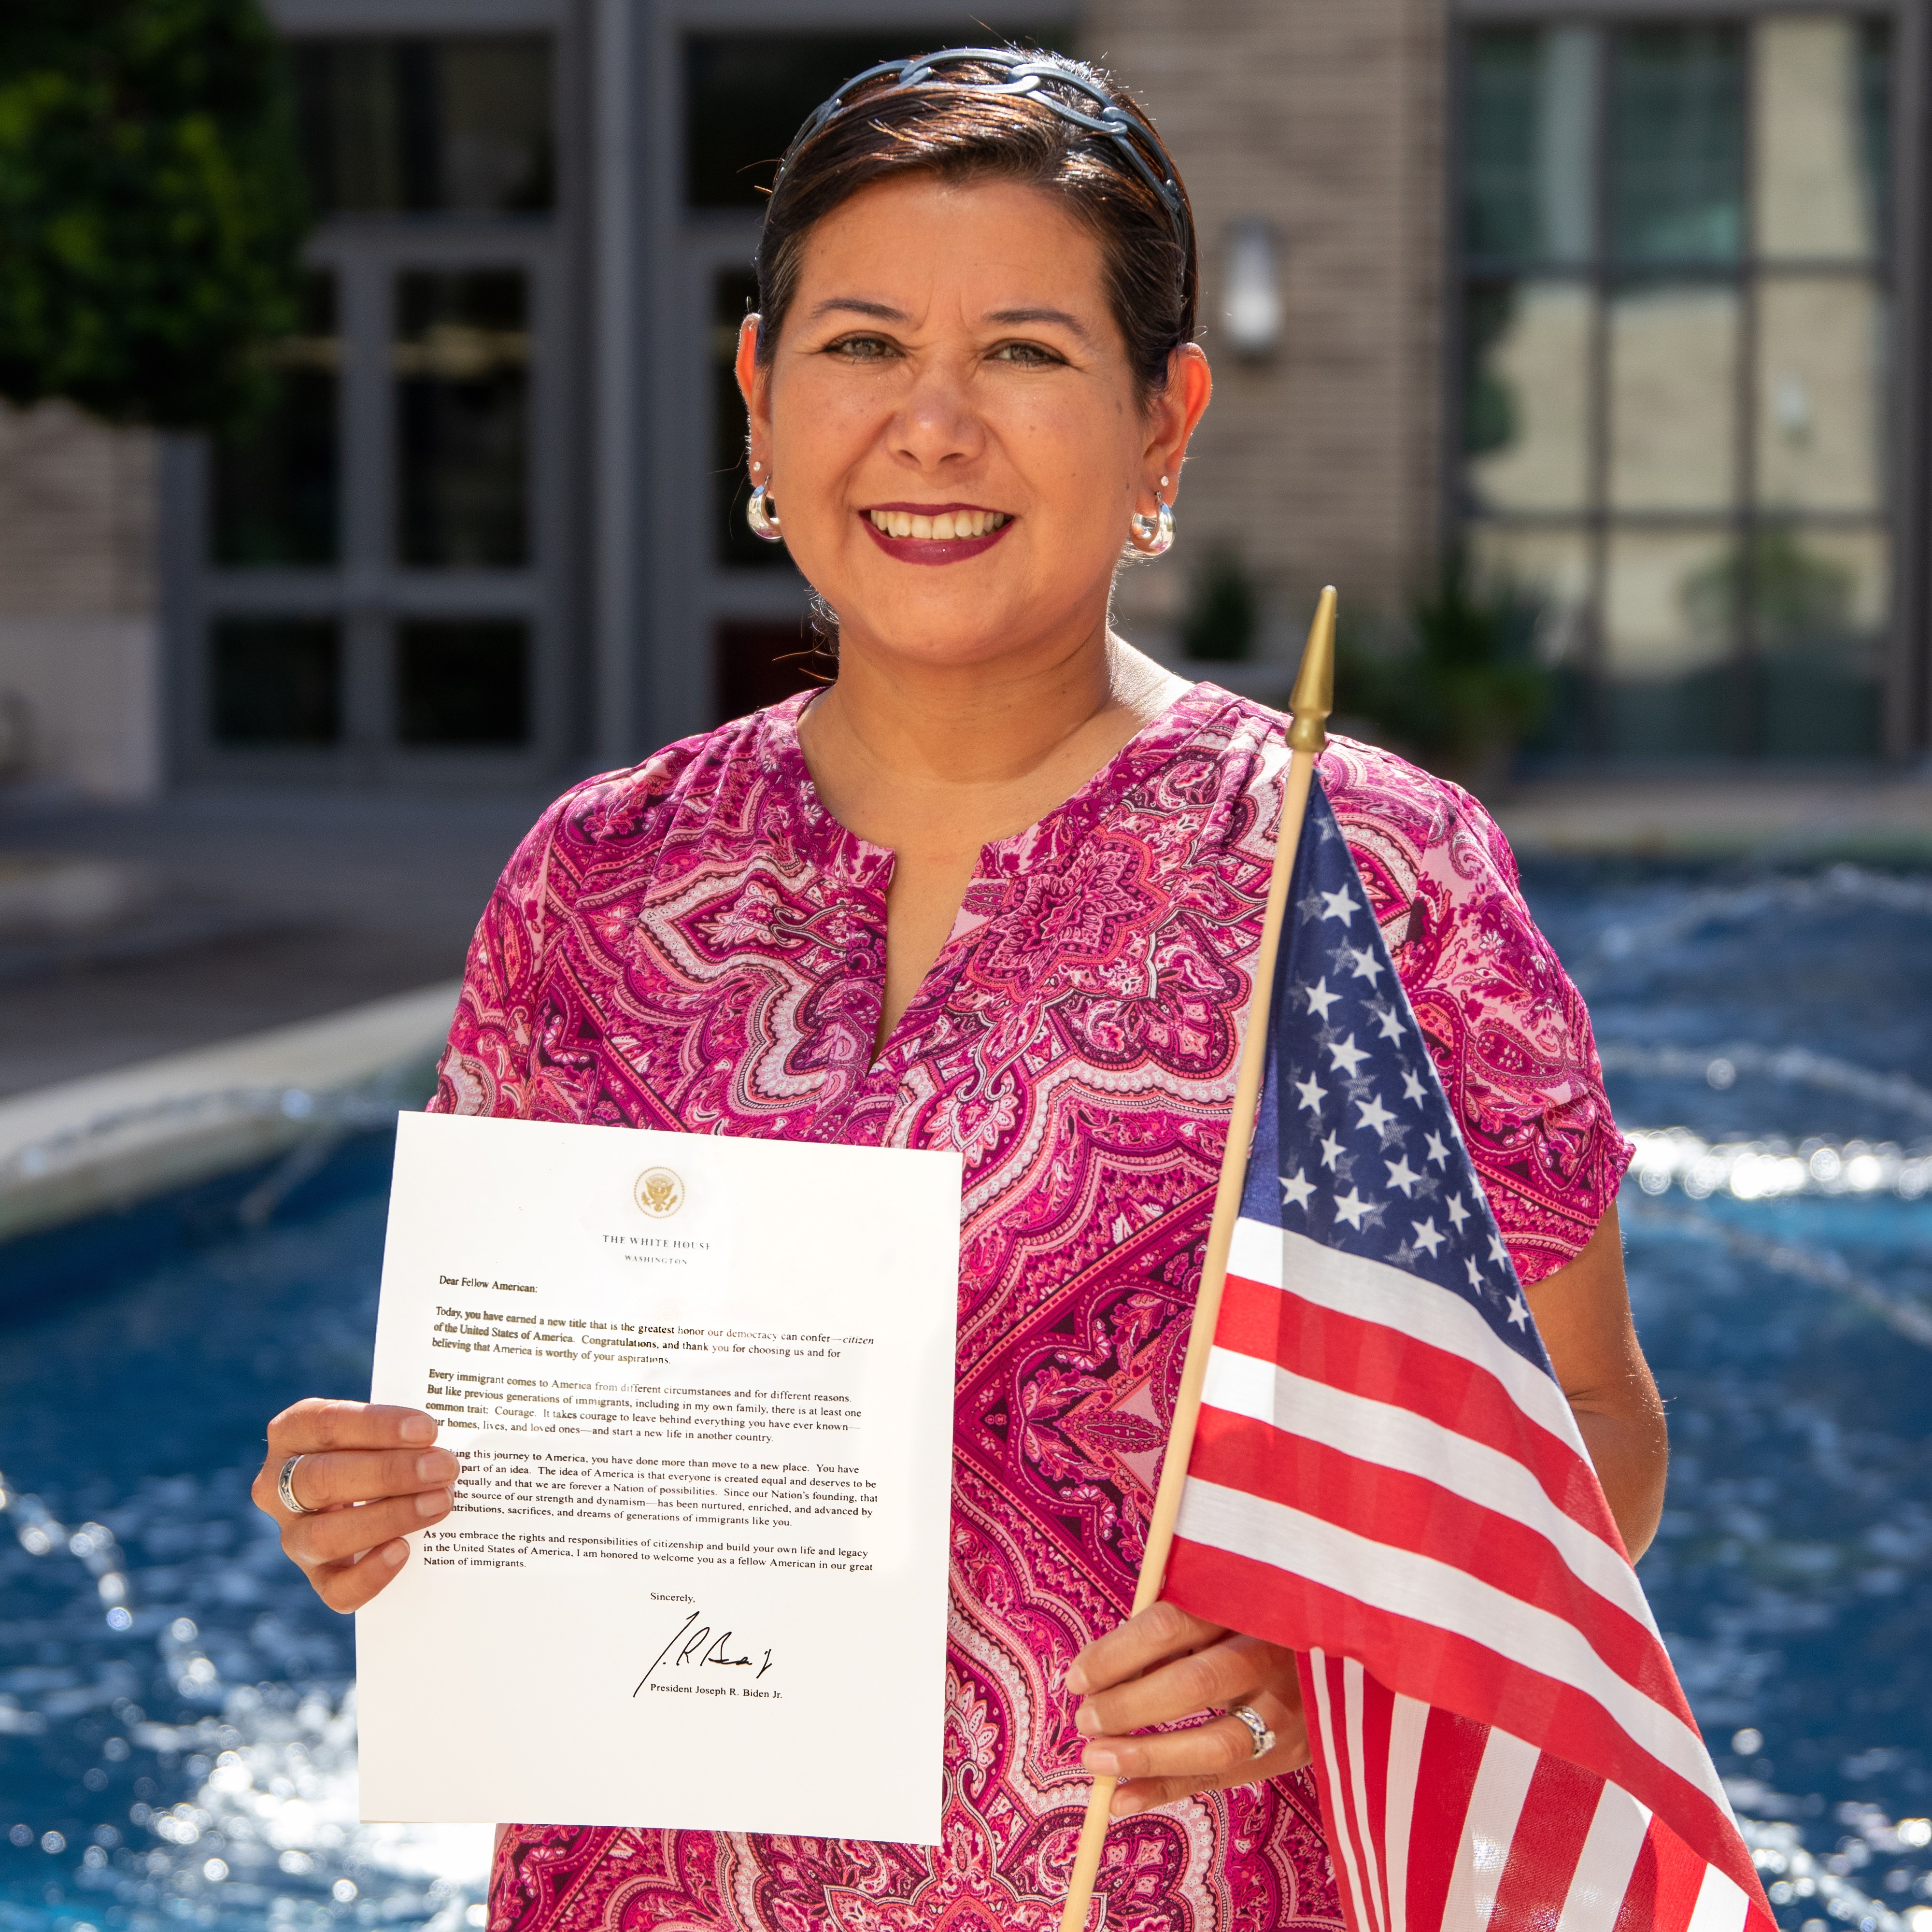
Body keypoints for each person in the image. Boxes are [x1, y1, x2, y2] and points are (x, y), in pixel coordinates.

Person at [251, 48, 1663, 1932]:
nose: (928, 426)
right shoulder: (598, 880)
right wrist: (385, 1503)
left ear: (1166, 422)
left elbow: (1587, 1427)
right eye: (855, 348)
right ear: (757, 400)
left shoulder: (1366, 877)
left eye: (1020, 350)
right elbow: (530, 1425)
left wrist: (1314, 1666)